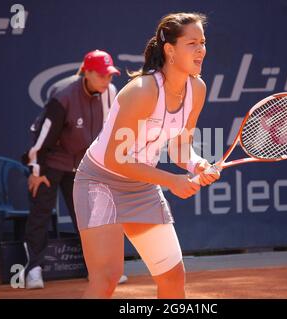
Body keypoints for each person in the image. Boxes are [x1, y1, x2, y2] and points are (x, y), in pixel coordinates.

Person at [73, 12, 219, 299]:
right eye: (192, 43)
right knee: (106, 278)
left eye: (202, 42)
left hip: (140, 186)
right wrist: (171, 181)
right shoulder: (141, 91)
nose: (201, 49)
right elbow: (117, 158)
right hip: (100, 182)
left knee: (173, 277)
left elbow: (179, 147)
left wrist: (196, 163)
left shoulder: (197, 89)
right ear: (170, 50)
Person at [21, 50, 128, 289]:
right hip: (51, 162)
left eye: (109, 76)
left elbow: (109, 134)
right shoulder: (64, 95)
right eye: (101, 76)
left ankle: (97, 271)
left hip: (81, 166)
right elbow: (42, 137)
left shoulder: (109, 93)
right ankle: (34, 270)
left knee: (90, 218)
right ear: (87, 73)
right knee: (41, 215)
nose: (106, 81)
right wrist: (35, 172)